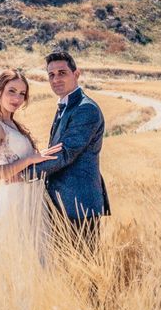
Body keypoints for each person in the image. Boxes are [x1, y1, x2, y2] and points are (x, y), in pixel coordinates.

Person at [29, 52, 110, 254]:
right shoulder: (65, 107)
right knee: (65, 268)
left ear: (77, 74)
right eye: (51, 75)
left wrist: (25, 172)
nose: (56, 79)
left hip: (79, 204)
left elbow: (65, 153)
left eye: (62, 73)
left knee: (87, 269)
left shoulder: (86, 109)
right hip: (61, 203)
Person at [0, 69, 63, 260]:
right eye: (12, 91)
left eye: (22, 94)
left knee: (41, 257)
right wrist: (29, 159)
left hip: (32, 199)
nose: (17, 98)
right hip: (15, 202)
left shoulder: (11, 123)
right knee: (20, 258)